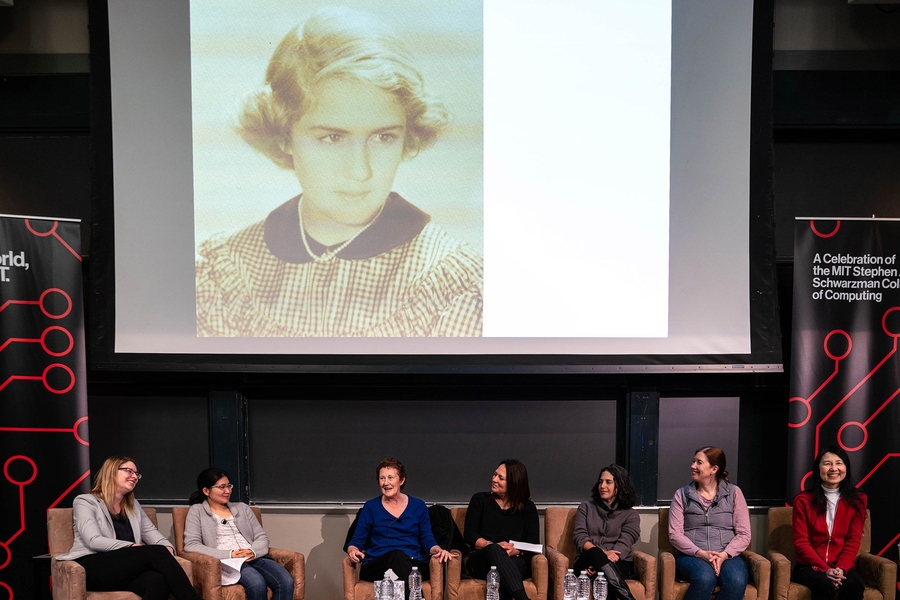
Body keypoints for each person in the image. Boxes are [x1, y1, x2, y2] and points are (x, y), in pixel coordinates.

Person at [195, 7, 483, 338]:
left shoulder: (450, 283)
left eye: (383, 137)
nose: (360, 172)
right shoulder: (225, 273)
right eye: (332, 138)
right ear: (283, 134)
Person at [55, 456, 200, 600]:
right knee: (155, 552)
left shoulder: (133, 506)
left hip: (123, 571)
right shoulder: (86, 501)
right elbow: (94, 540)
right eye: (128, 471)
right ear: (111, 472)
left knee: (157, 581)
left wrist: (168, 548)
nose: (135, 476)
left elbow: (154, 535)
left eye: (137, 473)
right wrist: (132, 547)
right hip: (93, 567)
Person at [346, 458, 451, 598]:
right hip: (378, 565)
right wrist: (352, 550)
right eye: (382, 478)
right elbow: (356, 541)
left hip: (413, 563)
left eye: (390, 477)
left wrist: (438, 549)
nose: (386, 483)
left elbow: (427, 540)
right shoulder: (370, 507)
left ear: (401, 480)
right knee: (395, 555)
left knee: (401, 561)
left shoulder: (418, 506)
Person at [183, 467, 294, 600]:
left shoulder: (242, 508)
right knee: (257, 583)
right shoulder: (197, 511)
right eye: (222, 487)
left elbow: (261, 536)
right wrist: (230, 554)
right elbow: (191, 545)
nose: (227, 491)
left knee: (286, 581)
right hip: (228, 561)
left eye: (229, 486)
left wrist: (252, 551)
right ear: (206, 491)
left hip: (253, 556)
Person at [668, 447, 750, 600]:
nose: (693, 466)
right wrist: (701, 553)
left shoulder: (734, 493)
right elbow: (675, 535)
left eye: (699, 462)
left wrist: (724, 554)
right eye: (693, 461)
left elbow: (744, 534)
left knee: (736, 580)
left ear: (714, 469)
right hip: (691, 555)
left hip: (727, 555)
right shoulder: (681, 494)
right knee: (705, 578)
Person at [791, 446, 867, 600]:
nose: (833, 468)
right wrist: (825, 569)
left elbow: (853, 540)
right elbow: (801, 542)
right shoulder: (803, 500)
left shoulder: (858, 500)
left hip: (842, 566)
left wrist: (841, 569)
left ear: (846, 468)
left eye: (839, 463)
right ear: (818, 469)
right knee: (824, 584)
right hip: (808, 567)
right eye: (827, 463)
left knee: (854, 585)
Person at [464, 459, 540, 600]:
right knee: (495, 550)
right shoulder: (480, 500)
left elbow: (533, 542)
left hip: (514, 559)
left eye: (501, 478)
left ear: (514, 483)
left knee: (505, 572)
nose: (494, 479)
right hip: (482, 559)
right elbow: (469, 534)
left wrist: (516, 550)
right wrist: (491, 546)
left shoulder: (528, 508)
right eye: (494, 475)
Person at [573, 464, 640, 600]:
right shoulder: (585, 507)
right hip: (586, 559)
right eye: (601, 482)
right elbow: (580, 537)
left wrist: (600, 565)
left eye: (608, 482)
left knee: (604, 580)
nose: (602, 486)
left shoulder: (630, 514)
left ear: (620, 486)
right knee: (595, 552)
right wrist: (601, 554)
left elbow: (625, 542)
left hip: (619, 561)